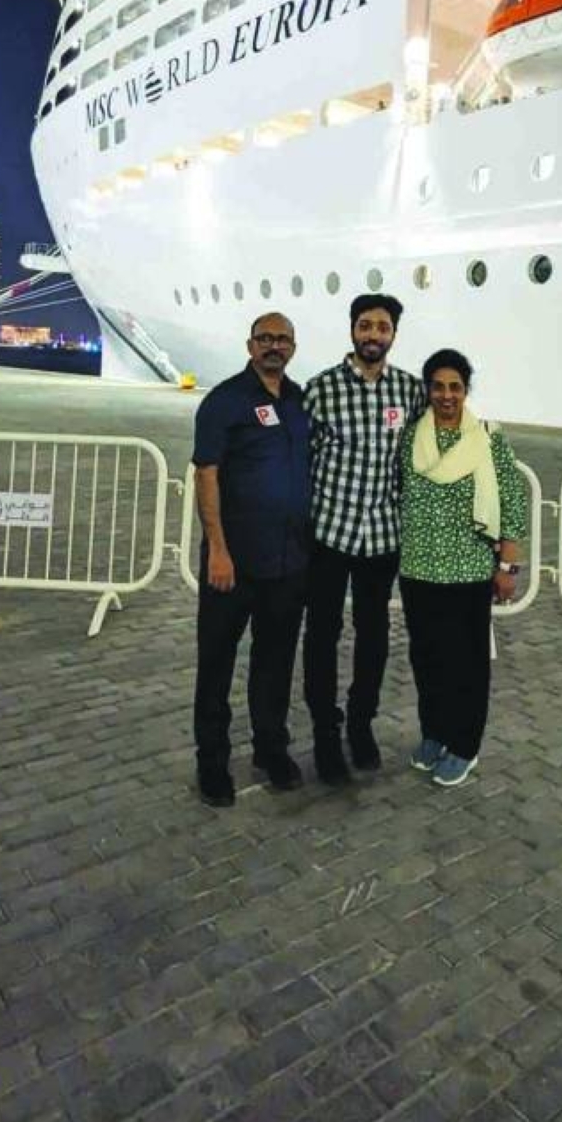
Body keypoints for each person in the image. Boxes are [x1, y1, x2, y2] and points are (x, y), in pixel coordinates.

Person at [302, 294, 424, 783]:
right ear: (352, 329)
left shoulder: (409, 391)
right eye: (366, 326)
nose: (374, 335)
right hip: (330, 534)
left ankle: (360, 723)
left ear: (393, 334)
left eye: (382, 327)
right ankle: (325, 734)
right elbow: (303, 460)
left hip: (381, 538)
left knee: (374, 636)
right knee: (322, 636)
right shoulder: (321, 390)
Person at [191, 312, 310, 807]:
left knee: (275, 662)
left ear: (293, 347)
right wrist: (217, 549)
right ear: (250, 343)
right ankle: (212, 762)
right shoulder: (225, 401)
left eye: (282, 340)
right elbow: (207, 474)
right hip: (233, 563)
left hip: (288, 563)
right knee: (217, 664)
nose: (273, 347)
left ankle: (270, 748)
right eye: (265, 338)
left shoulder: (300, 401)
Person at [398, 348, 527, 789]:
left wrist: (508, 565)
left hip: (469, 572)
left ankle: (464, 745)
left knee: (466, 665)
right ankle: (433, 733)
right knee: (426, 658)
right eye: (438, 386)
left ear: (466, 390)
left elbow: (512, 502)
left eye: (455, 387)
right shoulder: (411, 435)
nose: (447, 395)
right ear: (427, 390)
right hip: (418, 569)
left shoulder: (488, 439)